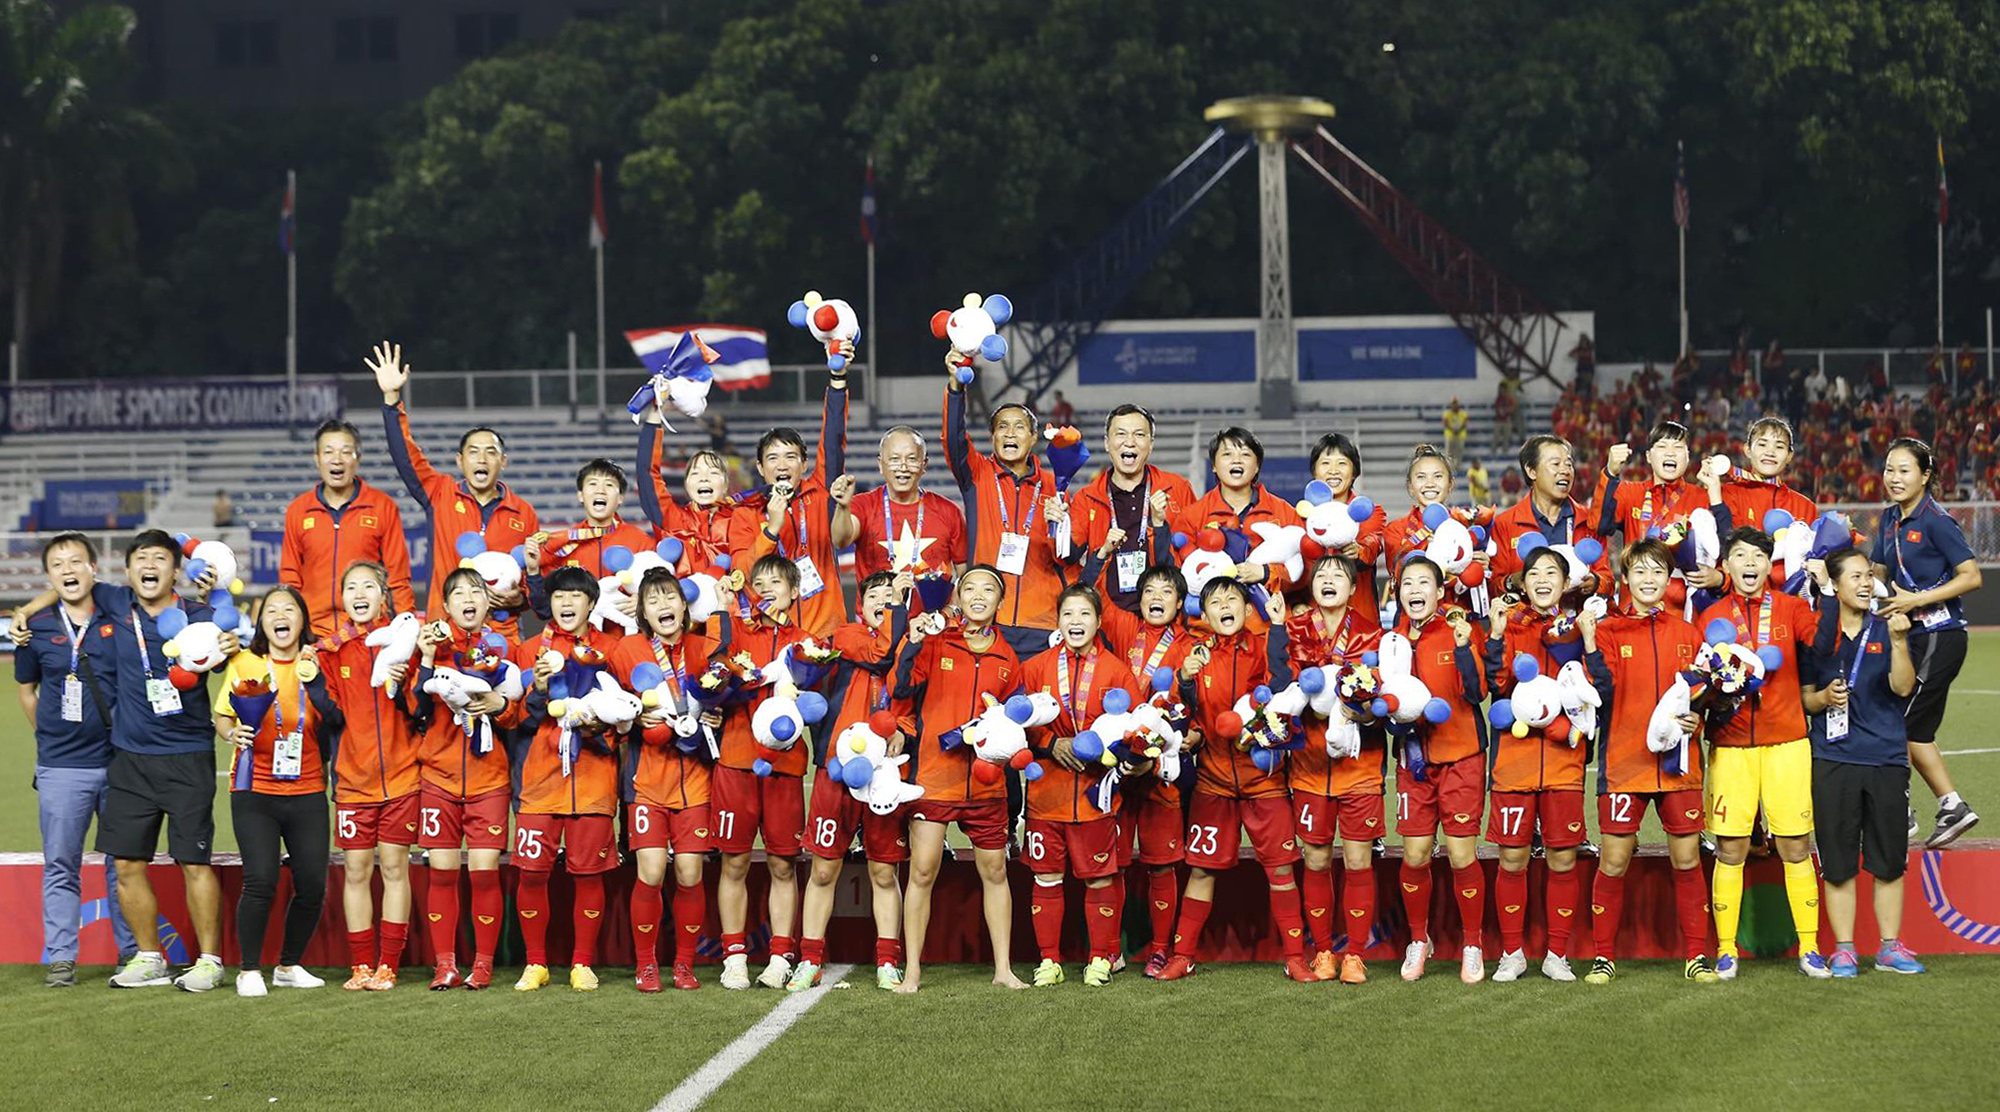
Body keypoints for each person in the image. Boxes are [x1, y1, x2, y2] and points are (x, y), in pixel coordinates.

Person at [16, 531, 240, 991]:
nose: (150, 565)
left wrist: (231, 642)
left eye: (160, 558)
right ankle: (149, 957)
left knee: (194, 862)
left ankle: (210, 961)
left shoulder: (200, 617)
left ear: (176, 571)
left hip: (187, 755)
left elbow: (227, 655)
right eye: (141, 558)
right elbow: (69, 581)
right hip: (130, 759)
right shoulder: (117, 604)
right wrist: (26, 610)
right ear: (128, 570)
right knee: (126, 864)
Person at [1154, 577, 1314, 984]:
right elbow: (1179, 714)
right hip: (1213, 781)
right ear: (1204, 614)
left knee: (1281, 872)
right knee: (1201, 871)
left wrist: (1277, 626)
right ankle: (1183, 956)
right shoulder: (1194, 655)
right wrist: (1184, 680)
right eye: (1215, 601)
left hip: (1264, 781)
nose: (1225, 606)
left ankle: (1296, 958)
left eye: (1232, 599)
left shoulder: (1264, 645)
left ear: (1246, 608)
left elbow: (1284, 686)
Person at [1581, 540, 1717, 984]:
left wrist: (1698, 718)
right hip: (1625, 764)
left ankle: (1696, 956)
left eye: (1658, 571)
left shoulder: (1688, 634)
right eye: (1639, 571)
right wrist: (1589, 641)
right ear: (1625, 579)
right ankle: (1604, 957)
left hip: (1679, 769)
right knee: (1614, 860)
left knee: (1687, 859)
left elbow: (1702, 695)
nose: (1648, 579)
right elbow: (1600, 692)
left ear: (1669, 579)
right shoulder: (1609, 632)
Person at [1696, 527, 1827, 979]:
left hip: (1787, 743)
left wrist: (1826, 592)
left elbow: (1823, 642)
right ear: (1726, 565)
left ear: (1769, 564)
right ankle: (1726, 950)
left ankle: (1810, 948)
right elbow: (1697, 681)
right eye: (1739, 555)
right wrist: (1714, 695)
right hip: (1731, 747)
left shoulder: (1792, 608)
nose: (1749, 563)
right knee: (1730, 848)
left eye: (1757, 555)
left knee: (1795, 845)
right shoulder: (1711, 616)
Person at [892, 566, 1027, 992]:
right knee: (923, 870)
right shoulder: (936, 642)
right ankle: (912, 971)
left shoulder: (1008, 658)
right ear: (958, 598)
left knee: (995, 871)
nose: (979, 595)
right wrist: (913, 640)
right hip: (936, 778)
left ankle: (1003, 970)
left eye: (989, 589)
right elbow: (901, 688)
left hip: (987, 785)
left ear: (1001, 602)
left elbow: (1015, 720)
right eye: (970, 588)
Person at [13, 533, 134, 987]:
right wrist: (48, 736)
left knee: (124, 864)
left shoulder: (116, 612)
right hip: (61, 767)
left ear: (93, 568)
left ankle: (132, 953)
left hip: (119, 761)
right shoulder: (36, 628)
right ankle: (62, 957)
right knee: (61, 864)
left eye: (76, 561)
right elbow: (27, 691)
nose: (68, 570)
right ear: (48, 575)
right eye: (58, 564)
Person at [215, 587, 343, 996]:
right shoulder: (245, 663)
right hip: (254, 788)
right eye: (272, 610)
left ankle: (288, 965)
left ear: (303, 620)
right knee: (261, 880)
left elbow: (337, 715)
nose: (281, 616)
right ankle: (249, 970)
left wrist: (319, 678)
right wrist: (232, 733)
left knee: (313, 885)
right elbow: (223, 716)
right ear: (261, 622)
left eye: (290, 609)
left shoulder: (318, 663)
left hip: (307, 788)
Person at [1806, 548, 1925, 976]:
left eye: (1868, 575)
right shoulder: (1817, 634)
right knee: (1838, 862)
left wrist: (1899, 642)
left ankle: (1890, 948)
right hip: (1832, 758)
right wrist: (1824, 698)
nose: (1864, 582)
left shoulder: (1889, 625)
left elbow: (1903, 687)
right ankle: (1844, 949)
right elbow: (1805, 699)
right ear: (1834, 585)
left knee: (1889, 859)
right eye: (1854, 576)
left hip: (1885, 757)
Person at [792, 570, 913, 992]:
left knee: (884, 872)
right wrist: (898, 607)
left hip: (886, 774)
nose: (884, 600)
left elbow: (915, 700)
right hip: (837, 771)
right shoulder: (847, 635)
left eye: (891, 594)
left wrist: (904, 730)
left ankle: (887, 961)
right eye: (876, 594)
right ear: (861, 605)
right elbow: (880, 654)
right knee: (824, 870)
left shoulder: (912, 642)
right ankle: (809, 959)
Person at [373, 341, 539, 641]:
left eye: (491, 452)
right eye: (473, 452)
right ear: (460, 461)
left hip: (503, 637)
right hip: (446, 636)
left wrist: (521, 598)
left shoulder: (523, 512)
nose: (482, 459)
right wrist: (391, 399)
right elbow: (405, 456)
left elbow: (535, 577)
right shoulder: (440, 493)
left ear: (503, 462)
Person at [1019, 585, 1142, 987]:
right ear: (1057, 621)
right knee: (1046, 877)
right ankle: (1049, 961)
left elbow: (1135, 729)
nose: (1076, 621)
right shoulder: (1035, 667)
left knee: (1100, 878)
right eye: (1068, 614)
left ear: (1099, 621)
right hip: (1046, 796)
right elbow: (1018, 725)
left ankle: (1100, 958)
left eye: (1085, 614)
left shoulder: (1117, 671)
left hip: (1095, 796)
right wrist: (1051, 744)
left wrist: (1108, 751)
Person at [607, 566, 723, 993]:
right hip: (647, 780)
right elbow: (610, 706)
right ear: (642, 612)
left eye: (670, 597)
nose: (663, 605)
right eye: (653, 600)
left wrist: (716, 717)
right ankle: (646, 965)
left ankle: (684, 964)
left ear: (684, 606)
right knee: (652, 871)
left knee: (690, 873)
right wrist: (633, 716)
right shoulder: (627, 650)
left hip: (695, 779)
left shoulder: (703, 648)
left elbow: (724, 699)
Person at [510, 567, 626, 992]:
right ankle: (535, 963)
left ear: (591, 604)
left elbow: (626, 712)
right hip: (540, 781)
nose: (566, 603)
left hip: (593, 779)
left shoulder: (612, 649)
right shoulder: (528, 651)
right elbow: (516, 719)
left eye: (576, 595)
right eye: (559, 595)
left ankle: (582, 964)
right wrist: (539, 690)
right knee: (531, 874)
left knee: (588, 875)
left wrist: (601, 725)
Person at [411, 566, 523, 990]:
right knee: (441, 872)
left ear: (487, 601)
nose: (468, 599)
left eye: (476, 591)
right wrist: (425, 658)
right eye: (459, 593)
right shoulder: (431, 650)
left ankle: (483, 964)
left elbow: (517, 714)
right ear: (446, 605)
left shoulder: (505, 648)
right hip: (438, 777)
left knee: (484, 872)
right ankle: (445, 965)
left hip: (488, 779)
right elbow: (415, 709)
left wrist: (500, 704)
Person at [1482, 547, 1588, 983]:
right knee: (1512, 859)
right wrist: (1494, 637)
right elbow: (1496, 685)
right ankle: (1512, 953)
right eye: (1535, 574)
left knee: (1563, 859)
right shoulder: (1510, 627)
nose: (1543, 580)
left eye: (1552, 573)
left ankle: (1556, 954)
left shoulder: (1580, 628)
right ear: (1523, 584)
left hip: (1565, 762)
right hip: (1515, 762)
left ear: (1566, 584)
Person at [1871, 437, 1982, 847]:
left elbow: (1971, 576)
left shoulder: (1937, 520)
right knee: (1908, 726)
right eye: (1889, 469)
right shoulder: (1888, 518)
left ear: (1925, 475)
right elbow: (1879, 573)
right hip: (1906, 637)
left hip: (1940, 635)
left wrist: (1917, 600)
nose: (1894, 478)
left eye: (1904, 470)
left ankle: (1899, 811)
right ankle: (1950, 806)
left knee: (1900, 723)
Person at [319, 560, 421, 991]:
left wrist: (406, 681)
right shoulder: (330, 652)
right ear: (342, 598)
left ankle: (388, 965)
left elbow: (419, 709)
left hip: (402, 775)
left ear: (384, 596)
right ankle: (361, 964)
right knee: (356, 870)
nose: (359, 594)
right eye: (351, 587)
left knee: (395, 868)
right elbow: (328, 715)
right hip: (353, 781)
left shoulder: (405, 641)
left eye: (368, 586)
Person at [713, 555, 814, 991]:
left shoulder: (807, 645)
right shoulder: (735, 632)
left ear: (795, 591)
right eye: (760, 583)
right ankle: (734, 955)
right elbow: (713, 681)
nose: (767, 589)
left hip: (785, 765)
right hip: (736, 760)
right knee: (734, 861)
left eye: (777, 582)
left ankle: (779, 955)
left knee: (782, 863)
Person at [1283, 554, 1385, 983]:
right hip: (1309, 764)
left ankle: (1355, 954)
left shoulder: (1373, 634)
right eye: (1321, 575)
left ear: (1353, 587)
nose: (1328, 581)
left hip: (1360, 766)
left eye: (1337, 575)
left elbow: (1383, 703)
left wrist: (1365, 712)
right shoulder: (1292, 631)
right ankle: (1323, 951)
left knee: (1359, 859)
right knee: (1316, 858)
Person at [1387, 557, 1488, 984]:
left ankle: (1472, 944)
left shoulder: (1458, 629)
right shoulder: (1391, 641)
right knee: (1415, 854)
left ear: (1439, 590)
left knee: (1462, 854)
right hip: (1413, 761)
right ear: (1398, 593)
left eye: (1423, 582)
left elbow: (1477, 692)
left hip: (1461, 756)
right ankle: (1418, 939)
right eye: (1407, 583)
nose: (1415, 590)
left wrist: (1464, 648)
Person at [1095, 565, 1194, 977]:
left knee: (1161, 864)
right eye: (1149, 590)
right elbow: (1096, 594)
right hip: (1119, 764)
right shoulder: (1124, 627)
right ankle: (1108, 951)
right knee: (1113, 864)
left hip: (1162, 766)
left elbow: (1197, 702)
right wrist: (1105, 552)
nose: (1157, 597)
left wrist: (1194, 735)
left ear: (1180, 602)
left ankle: (1159, 950)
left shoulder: (1191, 645)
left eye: (1166, 591)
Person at [727, 359, 853, 637]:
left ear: (804, 464)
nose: (782, 465)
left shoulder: (820, 492)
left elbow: (833, 439)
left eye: (790, 457)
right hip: (772, 637)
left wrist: (838, 379)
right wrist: (771, 530)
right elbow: (742, 574)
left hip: (827, 635)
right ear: (761, 468)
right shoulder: (746, 513)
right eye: (773, 458)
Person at [944, 378, 1066, 658]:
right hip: (988, 618)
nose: (1010, 433)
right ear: (992, 437)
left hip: (1041, 622)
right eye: (1002, 427)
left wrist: (1061, 530)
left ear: (1033, 437)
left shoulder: (1055, 486)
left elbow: (1065, 556)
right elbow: (953, 439)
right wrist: (955, 389)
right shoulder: (976, 475)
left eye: (1019, 427)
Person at [279, 417, 415, 638]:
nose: (337, 460)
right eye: (328, 452)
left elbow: (398, 577)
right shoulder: (298, 510)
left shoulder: (383, 507)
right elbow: (290, 577)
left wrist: (407, 627)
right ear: (317, 459)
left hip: (367, 632)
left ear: (358, 458)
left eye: (346, 452)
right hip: (314, 632)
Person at [1068, 404, 1194, 615]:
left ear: (1151, 444)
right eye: (1121, 434)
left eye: (1139, 434)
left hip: (1165, 617)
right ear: (1107, 443)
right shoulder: (1086, 498)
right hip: (1108, 618)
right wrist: (1057, 526)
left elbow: (1193, 555)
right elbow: (1067, 559)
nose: (1129, 441)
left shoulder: (1178, 489)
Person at [840, 426, 965, 615]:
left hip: (933, 626)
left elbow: (964, 575)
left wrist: (948, 612)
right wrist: (842, 507)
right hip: (878, 625)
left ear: (924, 464)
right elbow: (841, 539)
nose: (903, 467)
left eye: (912, 459)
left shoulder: (949, 511)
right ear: (880, 464)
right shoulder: (862, 505)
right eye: (895, 459)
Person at [522, 458, 658, 625]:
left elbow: (662, 592)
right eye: (593, 484)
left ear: (620, 498)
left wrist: (645, 598)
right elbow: (543, 609)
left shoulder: (642, 542)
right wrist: (533, 571)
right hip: (580, 639)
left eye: (609, 485)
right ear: (580, 495)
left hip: (628, 636)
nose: (600, 490)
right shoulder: (561, 545)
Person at [1487, 434, 1601, 588]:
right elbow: (1493, 585)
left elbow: (1606, 577)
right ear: (1531, 471)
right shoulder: (1504, 524)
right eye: (1556, 464)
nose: (1565, 470)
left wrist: (1595, 582)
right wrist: (1511, 582)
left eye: (1569, 464)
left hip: (1578, 604)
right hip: (1524, 604)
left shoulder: (1589, 520)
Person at [1301, 432, 1386, 626]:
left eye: (1342, 463)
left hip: (1360, 623)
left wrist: (1359, 551)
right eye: (1325, 463)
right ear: (1314, 472)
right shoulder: (1303, 516)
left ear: (1354, 471)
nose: (1333, 471)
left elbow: (1373, 544)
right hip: (1313, 623)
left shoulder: (1369, 512)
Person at [1442, 397, 1469, 462]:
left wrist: (1458, 431)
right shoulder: (1447, 413)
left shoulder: (1463, 413)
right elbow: (1445, 423)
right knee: (1449, 452)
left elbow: (1465, 424)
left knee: (1459, 452)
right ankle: (1449, 465)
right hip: (1450, 435)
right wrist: (1453, 430)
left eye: (1456, 403)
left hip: (1460, 435)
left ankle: (1458, 465)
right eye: (1453, 404)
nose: (1455, 405)